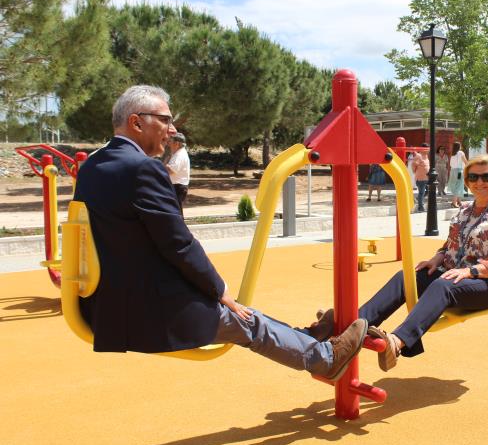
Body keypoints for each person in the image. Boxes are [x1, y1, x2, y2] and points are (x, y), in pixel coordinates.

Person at [74, 85, 366, 381]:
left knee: (245, 316)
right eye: (164, 119)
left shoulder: (92, 167)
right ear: (136, 122)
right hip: (147, 310)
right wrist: (219, 289)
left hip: (106, 306)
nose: (172, 129)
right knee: (242, 318)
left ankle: (306, 338)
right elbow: (178, 244)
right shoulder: (142, 169)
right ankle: (325, 359)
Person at [306, 154, 488, 371]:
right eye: (473, 177)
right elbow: (450, 245)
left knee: (442, 285)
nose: (479, 182)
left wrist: (469, 271)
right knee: (406, 277)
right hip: (454, 275)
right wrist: (436, 258)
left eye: (486, 176)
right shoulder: (465, 210)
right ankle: (352, 325)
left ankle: (397, 343)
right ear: (467, 181)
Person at [164, 132, 190, 215]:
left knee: (176, 212)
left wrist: (163, 164)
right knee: (175, 211)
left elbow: (170, 170)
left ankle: (179, 227)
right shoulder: (177, 154)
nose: (168, 144)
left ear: (177, 143)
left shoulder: (179, 155)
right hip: (177, 186)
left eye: (170, 141)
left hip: (177, 187)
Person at [447, 141, 467, 208]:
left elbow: (450, 164)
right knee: (458, 186)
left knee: (457, 186)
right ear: (459, 146)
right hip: (459, 171)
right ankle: (454, 202)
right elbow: (465, 162)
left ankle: (459, 201)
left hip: (452, 171)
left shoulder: (453, 154)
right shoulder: (461, 153)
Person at [412, 144, 430, 212]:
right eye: (427, 148)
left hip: (427, 178)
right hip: (420, 178)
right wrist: (415, 171)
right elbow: (413, 164)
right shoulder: (418, 156)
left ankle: (418, 199)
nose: (428, 150)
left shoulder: (426, 156)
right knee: (422, 192)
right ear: (423, 149)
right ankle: (420, 207)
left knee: (427, 192)